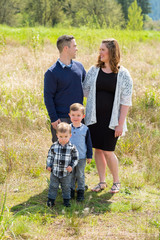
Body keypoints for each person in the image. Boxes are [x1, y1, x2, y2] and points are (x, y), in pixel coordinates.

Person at [83, 38, 133, 193]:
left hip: (112, 121)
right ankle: (102, 182)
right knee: (98, 149)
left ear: (112, 51)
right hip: (94, 118)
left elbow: (126, 101)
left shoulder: (123, 74)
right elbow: (85, 91)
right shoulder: (93, 70)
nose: (100, 53)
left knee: (108, 151)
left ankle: (116, 182)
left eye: (103, 50)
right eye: (99, 50)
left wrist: (120, 123)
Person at [44, 35, 86, 142]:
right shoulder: (52, 73)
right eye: (74, 46)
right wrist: (53, 118)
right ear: (66, 48)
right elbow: (48, 97)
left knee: (79, 152)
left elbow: (87, 88)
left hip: (78, 119)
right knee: (61, 154)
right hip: (61, 120)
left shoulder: (79, 67)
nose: (77, 49)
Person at [46, 122, 79, 207]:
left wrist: (71, 166)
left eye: (65, 137)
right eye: (61, 137)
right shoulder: (54, 146)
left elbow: (75, 158)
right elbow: (50, 156)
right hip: (55, 172)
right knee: (53, 186)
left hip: (66, 173)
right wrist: (49, 165)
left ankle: (66, 201)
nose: (63, 139)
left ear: (70, 136)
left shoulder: (72, 148)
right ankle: (51, 200)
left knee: (66, 187)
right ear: (57, 135)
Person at [69, 103, 93, 201]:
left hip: (81, 157)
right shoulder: (67, 128)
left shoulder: (85, 129)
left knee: (80, 175)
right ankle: (70, 192)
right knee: (70, 175)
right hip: (70, 158)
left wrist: (89, 156)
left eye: (78, 115)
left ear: (83, 116)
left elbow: (89, 143)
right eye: (73, 115)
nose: (75, 117)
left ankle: (80, 192)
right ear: (69, 115)